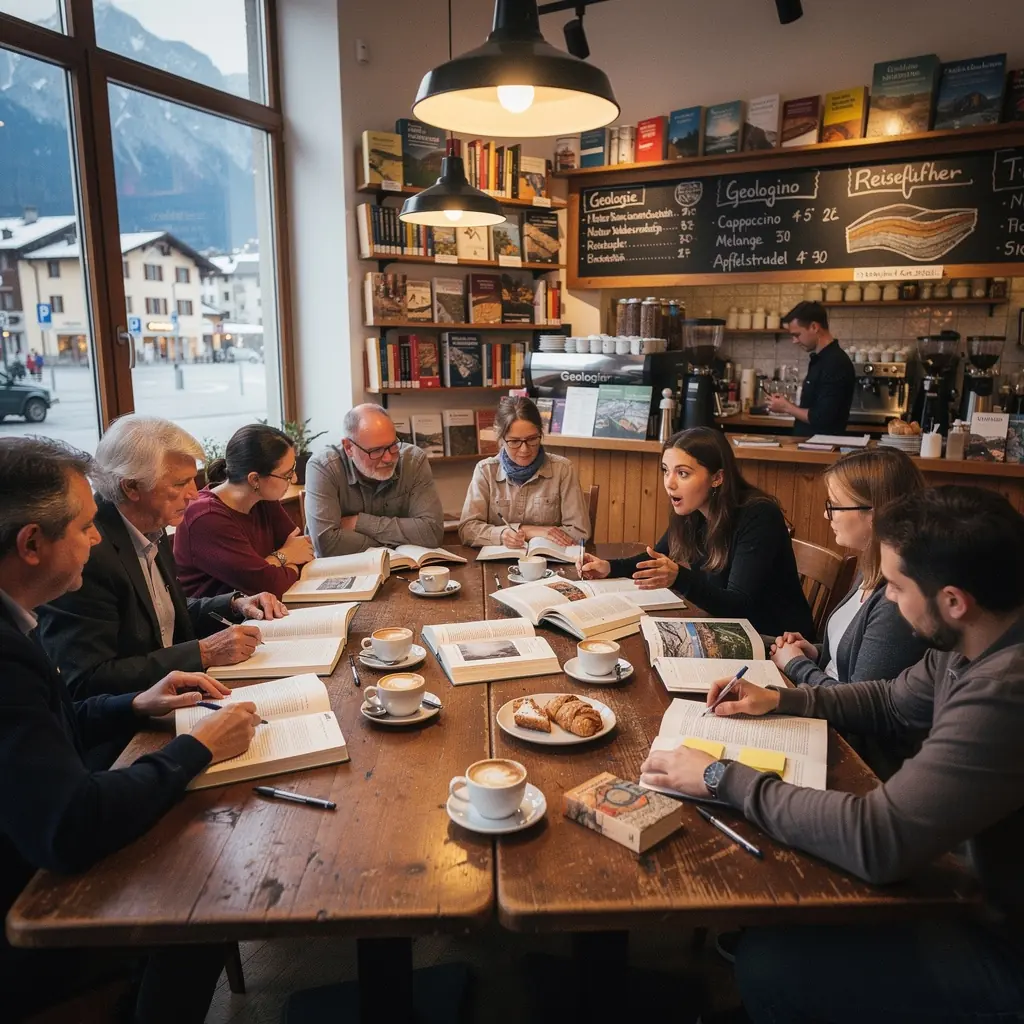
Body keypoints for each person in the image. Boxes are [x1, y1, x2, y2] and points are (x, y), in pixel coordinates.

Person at [640, 485, 1024, 1024]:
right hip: (967, 884)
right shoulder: (972, 638)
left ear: (954, 601)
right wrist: (780, 699)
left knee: (770, 961)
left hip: (1002, 946)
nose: (889, 600)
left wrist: (720, 775)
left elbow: (878, 838)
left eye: (896, 587)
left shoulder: (1005, 690)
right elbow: (890, 700)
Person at [0, 436, 261, 1023]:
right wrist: (196, 748)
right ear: (32, 544)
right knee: (203, 900)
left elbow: (55, 719)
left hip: (38, 837)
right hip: (28, 904)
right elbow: (71, 823)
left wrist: (134, 705)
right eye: (85, 527)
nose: (97, 538)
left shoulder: (16, 622)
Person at [37, 414, 287, 700]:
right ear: (131, 487)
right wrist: (204, 652)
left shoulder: (152, 524)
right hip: (135, 716)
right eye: (180, 484)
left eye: (193, 479)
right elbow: (89, 680)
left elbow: (162, 614)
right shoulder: (88, 553)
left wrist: (234, 604)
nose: (194, 494)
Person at [580, 426, 813, 638]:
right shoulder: (692, 509)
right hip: (726, 627)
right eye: (666, 471)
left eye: (683, 473)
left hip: (776, 641)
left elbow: (739, 605)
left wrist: (679, 578)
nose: (669, 483)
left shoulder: (759, 515)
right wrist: (609, 567)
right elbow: (656, 559)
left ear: (717, 478)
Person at [174, 423, 314, 600]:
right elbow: (270, 587)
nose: (294, 479)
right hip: (223, 616)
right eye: (287, 474)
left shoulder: (263, 497)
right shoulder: (206, 517)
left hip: (265, 609)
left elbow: (304, 551)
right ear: (254, 479)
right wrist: (284, 556)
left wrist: (271, 565)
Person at [304, 403, 444, 556]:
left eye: (393, 445)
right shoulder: (323, 467)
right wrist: (397, 541)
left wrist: (360, 523)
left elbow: (432, 532)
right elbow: (327, 545)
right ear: (349, 447)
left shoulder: (413, 461)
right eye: (376, 451)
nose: (388, 458)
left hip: (401, 566)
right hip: (343, 568)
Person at [459, 396, 589, 548]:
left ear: (541, 433)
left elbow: (579, 532)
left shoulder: (563, 470)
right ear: (501, 439)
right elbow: (467, 530)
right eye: (514, 441)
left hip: (549, 559)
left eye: (532, 439)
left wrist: (526, 533)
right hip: (499, 560)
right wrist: (522, 531)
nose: (524, 449)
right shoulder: (485, 471)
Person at [765, 301, 856, 437]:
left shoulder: (835, 363)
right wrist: (786, 405)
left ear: (814, 327)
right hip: (809, 444)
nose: (794, 341)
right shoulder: (819, 359)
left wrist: (786, 407)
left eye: (797, 335)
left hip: (822, 447)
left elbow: (822, 418)